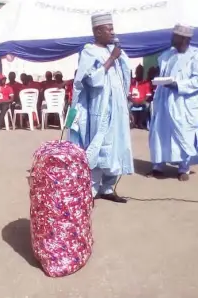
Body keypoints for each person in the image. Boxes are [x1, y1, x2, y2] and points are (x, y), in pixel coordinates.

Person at [68, 12, 133, 204]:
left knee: (117, 147)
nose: (113, 32)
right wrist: (111, 59)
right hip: (100, 107)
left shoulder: (115, 51)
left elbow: (124, 79)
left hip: (118, 108)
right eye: (109, 29)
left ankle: (108, 188)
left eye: (113, 28)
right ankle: (91, 190)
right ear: (97, 31)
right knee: (99, 146)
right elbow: (90, 80)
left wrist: (118, 58)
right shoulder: (89, 51)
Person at [147, 24, 198, 181]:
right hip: (164, 101)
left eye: (175, 36)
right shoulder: (167, 55)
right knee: (160, 133)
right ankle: (158, 166)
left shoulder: (196, 56)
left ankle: (184, 168)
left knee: (184, 134)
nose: (171, 38)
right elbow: (162, 73)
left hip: (184, 103)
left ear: (184, 39)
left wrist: (178, 85)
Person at [129, 65, 152, 129]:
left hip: (142, 101)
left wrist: (142, 101)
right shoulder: (132, 83)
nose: (139, 73)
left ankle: (140, 123)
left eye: (141, 72)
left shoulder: (146, 83)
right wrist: (134, 101)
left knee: (148, 105)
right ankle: (132, 122)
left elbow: (148, 96)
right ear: (135, 72)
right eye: (138, 72)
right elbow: (128, 95)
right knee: (126, 105)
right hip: (133, 101)